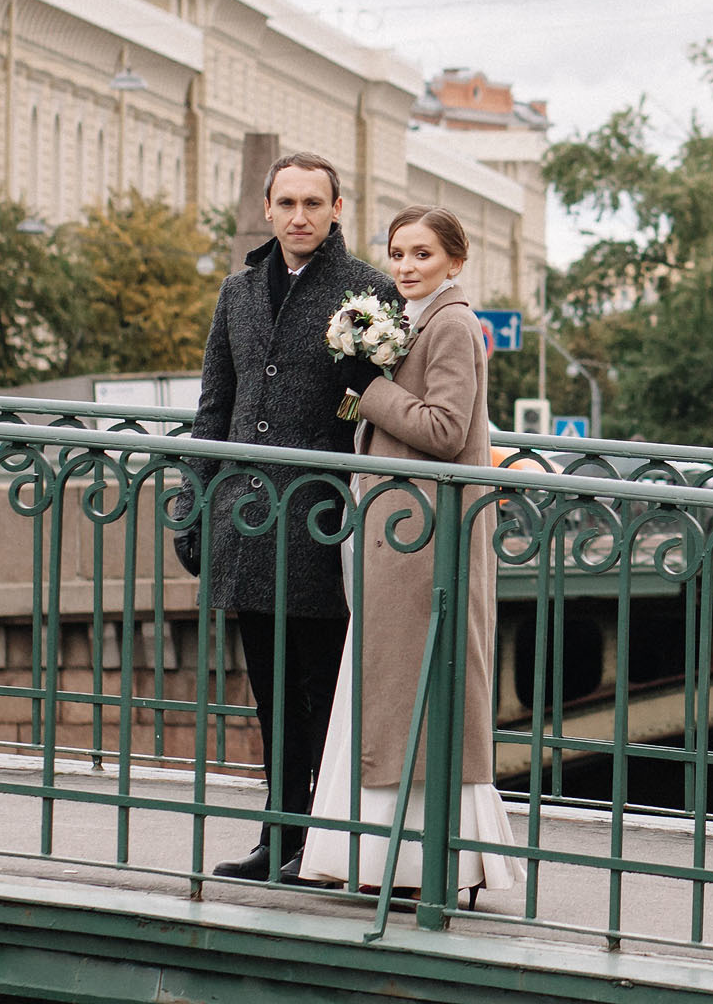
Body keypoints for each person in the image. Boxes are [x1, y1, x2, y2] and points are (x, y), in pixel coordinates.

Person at [176, 152, 394, 883]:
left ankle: (330, 841)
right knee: (270, 689)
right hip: (244, 519)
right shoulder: (237, 292)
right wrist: (192, 504)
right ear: (267, 208)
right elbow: (214, 407)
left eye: (314, 203)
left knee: (326, 691)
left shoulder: (367, 290)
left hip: (324, 521)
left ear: (338, 208)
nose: (299, 216)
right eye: (287, 202)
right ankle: (281, 833)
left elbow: (382, 411)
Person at [301, 205, 519, 900]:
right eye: (397, 253)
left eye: (421, 254)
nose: (404, 266)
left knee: (412, 693)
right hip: (402, 531)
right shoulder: (422, 318)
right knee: (399, 694)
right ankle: (404, 862)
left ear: (455, 262)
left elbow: (448, 428)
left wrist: (370, 390)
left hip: (424, 538)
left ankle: (425, 865)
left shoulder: (452, 323)